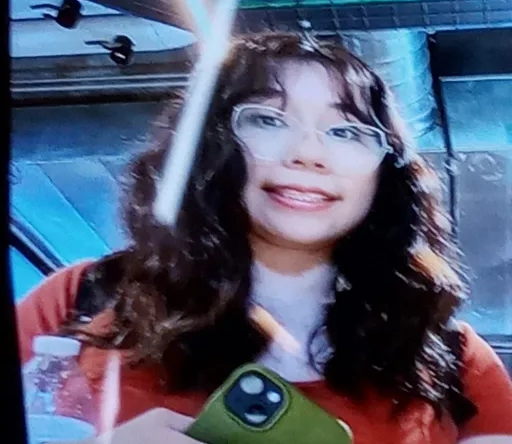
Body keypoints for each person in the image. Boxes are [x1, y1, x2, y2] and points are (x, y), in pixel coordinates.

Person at [16, 32, 512, 444]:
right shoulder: (80, 298)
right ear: (208, 145)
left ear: (385, 173)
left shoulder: (451, 359)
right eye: (268, 120)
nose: (308, 154)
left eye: (346, 132)